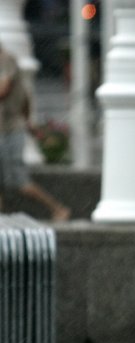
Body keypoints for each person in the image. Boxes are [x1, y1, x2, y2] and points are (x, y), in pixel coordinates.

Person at [0, 44, 70, 221]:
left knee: (20, 182)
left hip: (9, 131)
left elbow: (4, 90)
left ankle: (58, 208)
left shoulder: (6, 61)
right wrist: (28, 121)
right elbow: (25, 97)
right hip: (8, 128)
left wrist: (26, 122)